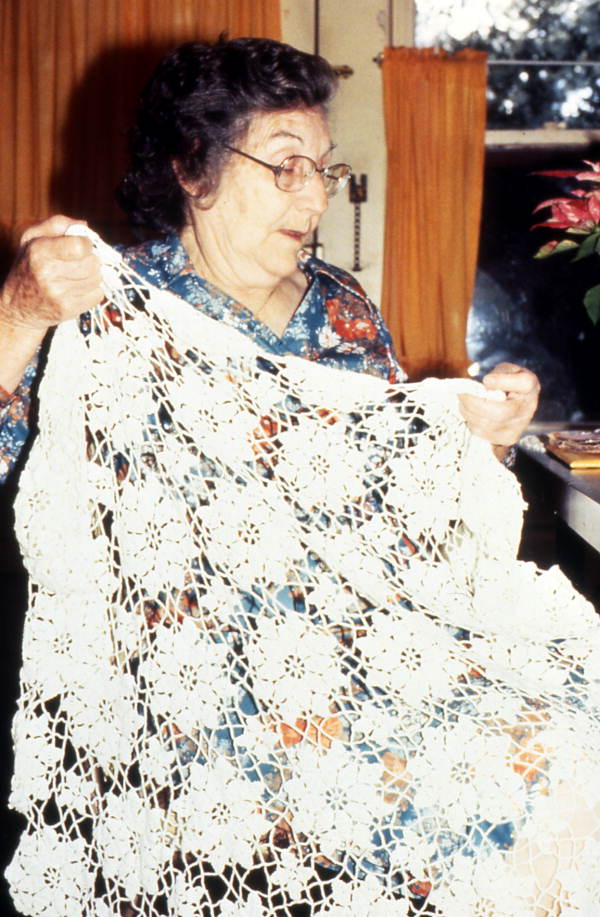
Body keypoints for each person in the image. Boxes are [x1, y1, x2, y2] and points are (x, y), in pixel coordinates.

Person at [5, 37, 590, 917]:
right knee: (537, 780)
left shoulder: (342, 308)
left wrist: (488, 441)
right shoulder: (110, 315)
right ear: (193, 169)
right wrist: (20, 311)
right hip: (215, 704)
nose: (316, 197)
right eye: (285, 168)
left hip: (376, 654)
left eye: (323, 168)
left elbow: (407, 511)